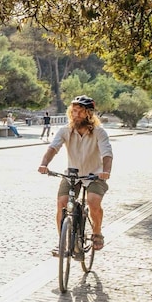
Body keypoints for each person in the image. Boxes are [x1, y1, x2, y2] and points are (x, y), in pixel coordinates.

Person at [38, 95, 113, 255]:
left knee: (93, 202)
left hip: (95, 175)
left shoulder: (99, 132)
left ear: (89, 113)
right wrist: (44, 164)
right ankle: (63, 243)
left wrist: (106, 171)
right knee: (62, 203)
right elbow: (53, 148)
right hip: (72, 175)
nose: (76, 114)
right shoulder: (65, 131)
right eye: (74, 111)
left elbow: (107, 154)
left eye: (80, 111)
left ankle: (97, 232)